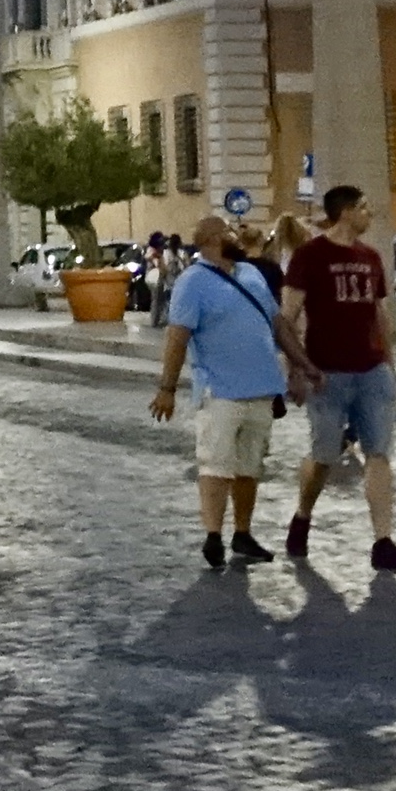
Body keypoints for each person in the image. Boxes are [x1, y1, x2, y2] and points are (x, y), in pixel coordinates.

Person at [278, 184, 396, 571]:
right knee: (324, 456)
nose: (370, 214)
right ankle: (303, 515)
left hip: (371, 370)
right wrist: (296, 369)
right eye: (364, 208)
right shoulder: (310, 256)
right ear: (345, 213)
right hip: (327, 373)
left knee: (379, 453)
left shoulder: (370, 257)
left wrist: (389, 363)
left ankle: (383, 542)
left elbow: (378, 313)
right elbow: (286, 319)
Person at [150, 210, 290, 568]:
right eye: (230, 230)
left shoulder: (251, 273)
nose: (237, 234)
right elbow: (177, 336)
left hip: (260, 389)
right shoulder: (192, 282)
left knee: (250, 467)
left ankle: (242, 533)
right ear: (212, 239)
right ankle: (213, 535)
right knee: (216, 464)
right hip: (220, 391)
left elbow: (277, 322)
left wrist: (302, 365)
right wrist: (167, 388)